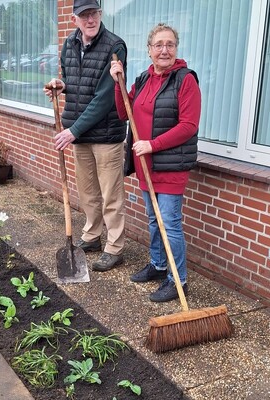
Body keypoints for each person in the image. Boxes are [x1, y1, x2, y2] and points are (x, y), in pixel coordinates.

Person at [109, 23, 201, 302]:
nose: (164, 50)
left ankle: (178, 280)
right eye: (158, 44)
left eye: (170, 44)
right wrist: (119, 83)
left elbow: (189, 125)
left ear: (176, 48)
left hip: (171, 166)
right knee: (154, 219)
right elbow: (124, 112)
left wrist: (152, 145)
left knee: (170, 223)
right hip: (146, 165)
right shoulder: (144, 79)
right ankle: (159, 265)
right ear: (149, 50)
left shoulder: (185, 80)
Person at [44, 0, 128, 272]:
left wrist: (73, 131)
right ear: (75, 19)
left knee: (111, 195)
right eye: (84, 15)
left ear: (100, 15)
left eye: (94, 14)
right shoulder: (70, 45)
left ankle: (114, 248)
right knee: (88, 192)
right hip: (79, 133)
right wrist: (61, 86)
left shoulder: (115, 46)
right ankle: (92, 236)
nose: (90, 20)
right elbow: (78, 84)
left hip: (106, 135)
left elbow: (104, 97)